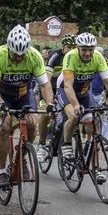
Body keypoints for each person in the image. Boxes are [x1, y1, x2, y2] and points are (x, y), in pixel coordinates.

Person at [0, 25, 55, 189]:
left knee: (32, 123)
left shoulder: (34, 56)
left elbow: (45, 85)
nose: (18, 58)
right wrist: (1, 104)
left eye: (22, 54)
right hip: (2, 96)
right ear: (8, 48)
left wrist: (49, 104)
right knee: (4, 127)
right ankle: (2, 170)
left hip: (24, 95)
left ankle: (22, 157)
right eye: (14, 54)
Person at [58, 32, 108, 166]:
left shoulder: (98, 57)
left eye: (90, 50)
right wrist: (75, 105)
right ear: (78, 48)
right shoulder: (70, 56)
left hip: (84, 92)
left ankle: (92, 160)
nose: (87, 53)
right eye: (84, 49)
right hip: (66, 90)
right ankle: (67, 144)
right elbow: (68, 86)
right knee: (74, 116)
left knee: (91, 124)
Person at [36, 33, 76, 161]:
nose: (71, 50)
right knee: (45, 113)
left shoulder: (76, 57)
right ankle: (42, 144)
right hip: (50, 89)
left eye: (74, 48)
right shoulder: (55, 56)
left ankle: (63, 141)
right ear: (64, 46)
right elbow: (46, 79)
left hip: (65, 90)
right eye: (69, 47)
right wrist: (49, 99)